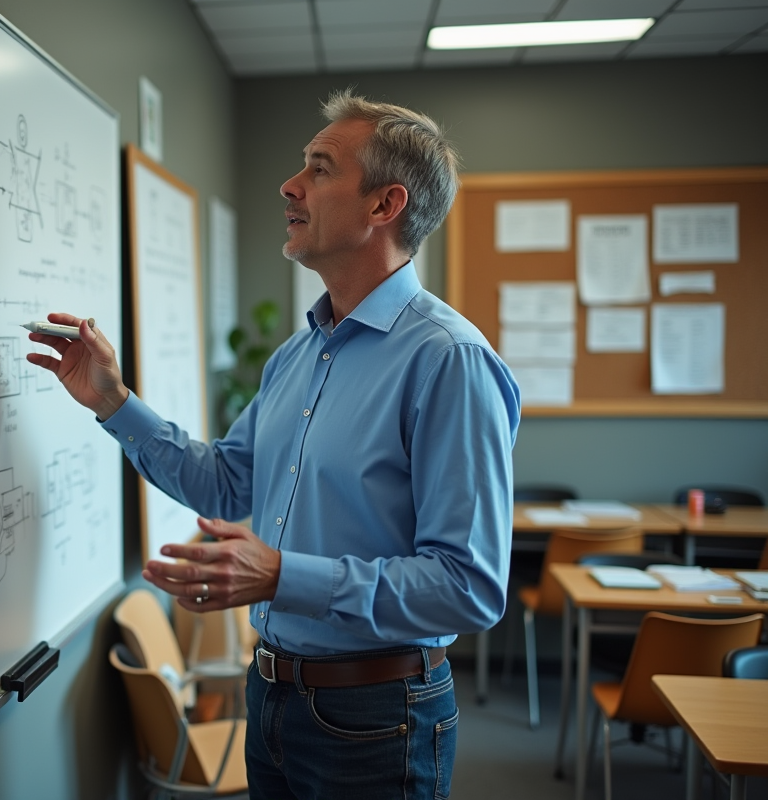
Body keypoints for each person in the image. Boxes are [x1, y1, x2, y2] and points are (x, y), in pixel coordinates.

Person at [26, 89, 520, 800]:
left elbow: (467, 588)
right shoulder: (297, 356)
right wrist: (112, 400)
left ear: (385, 206)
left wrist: (284, 575)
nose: (290, 186)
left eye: (320, 169)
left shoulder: (448, 360)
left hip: (378, 717)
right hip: (274, 698)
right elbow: (228, 483)